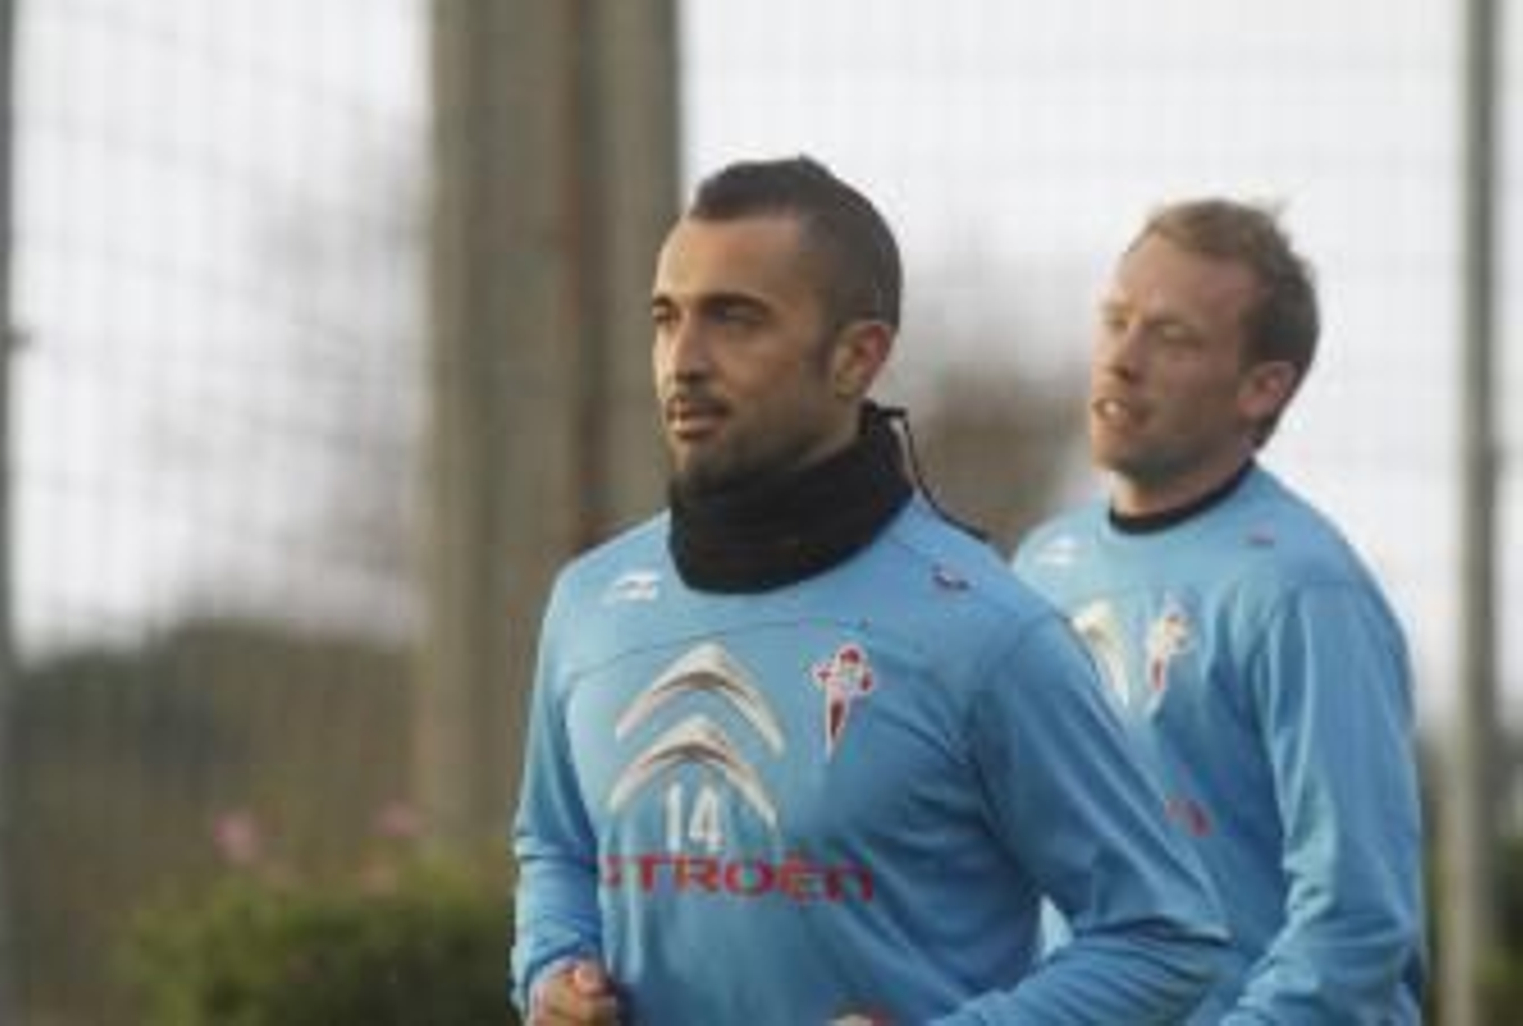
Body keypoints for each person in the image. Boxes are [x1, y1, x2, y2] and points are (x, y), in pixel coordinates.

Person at [511, 155, 1226, 1025]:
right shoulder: (589, 602)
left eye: (735, 320)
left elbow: (1163, 935)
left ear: (858, 356)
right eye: (667, 318)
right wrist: (553, 966)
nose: (684, 360)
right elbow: (555, 846)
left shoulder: (987, 633)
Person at [1014, 198, 1426, 1022]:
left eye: (1172, 336)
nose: (1122, 358)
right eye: (1116, 319)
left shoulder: (1305, 590)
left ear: (1261, 386)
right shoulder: (1039, 568)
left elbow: (1356, 920)